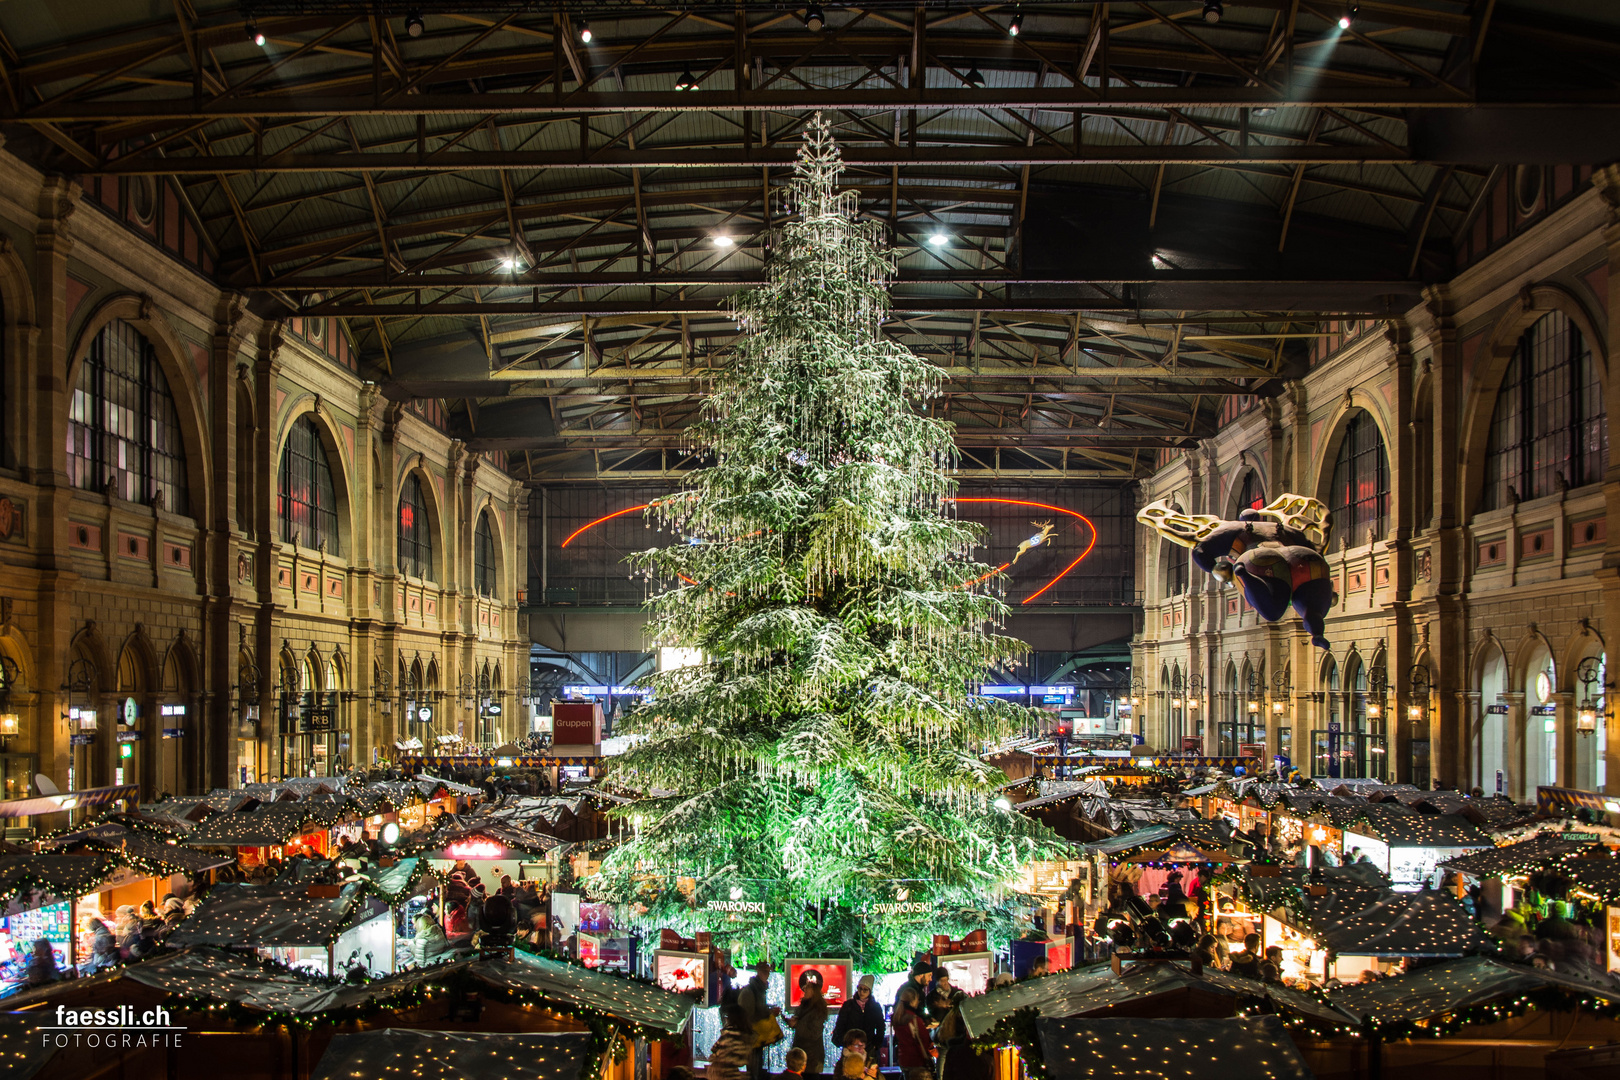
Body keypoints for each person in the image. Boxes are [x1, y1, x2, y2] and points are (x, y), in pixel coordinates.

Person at [739, 959, 781, 1080]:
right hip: (752, 1037)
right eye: (765, 972)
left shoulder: (758, 990)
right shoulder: (751, 991)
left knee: (756, 1070)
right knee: (753, 1071)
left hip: (757, 1037)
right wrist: (768, 1012)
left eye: (768, 972)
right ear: (758, 972)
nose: (767, 974)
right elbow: (749, 1015)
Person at [831, 974, 884, 1054]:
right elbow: (840, 1025)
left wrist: (876, 1044)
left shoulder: (875, 1007)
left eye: (865, 990)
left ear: (870, 991)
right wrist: (844, 1042)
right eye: (860, 989)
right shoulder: (848, 1005)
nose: (861, 992)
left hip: (868, 1046)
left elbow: (881, 1027)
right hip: (851, 1046)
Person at [890, 983, 934, 1080]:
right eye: (917, 999)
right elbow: (923, 1039)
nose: (918, 1002)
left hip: (903, 1059)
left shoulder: (897, 1018)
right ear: (912, 1001)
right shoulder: (914, 1019)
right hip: (916, 1059)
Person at [791, 971, 829, 1077]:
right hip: (801, 1054)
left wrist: (797, 1025)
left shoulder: (818, 1010)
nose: (804, 990)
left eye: (807, 988)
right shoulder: (804, 1006)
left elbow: (814, 1033)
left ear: (813, 991)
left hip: (812, 1057)